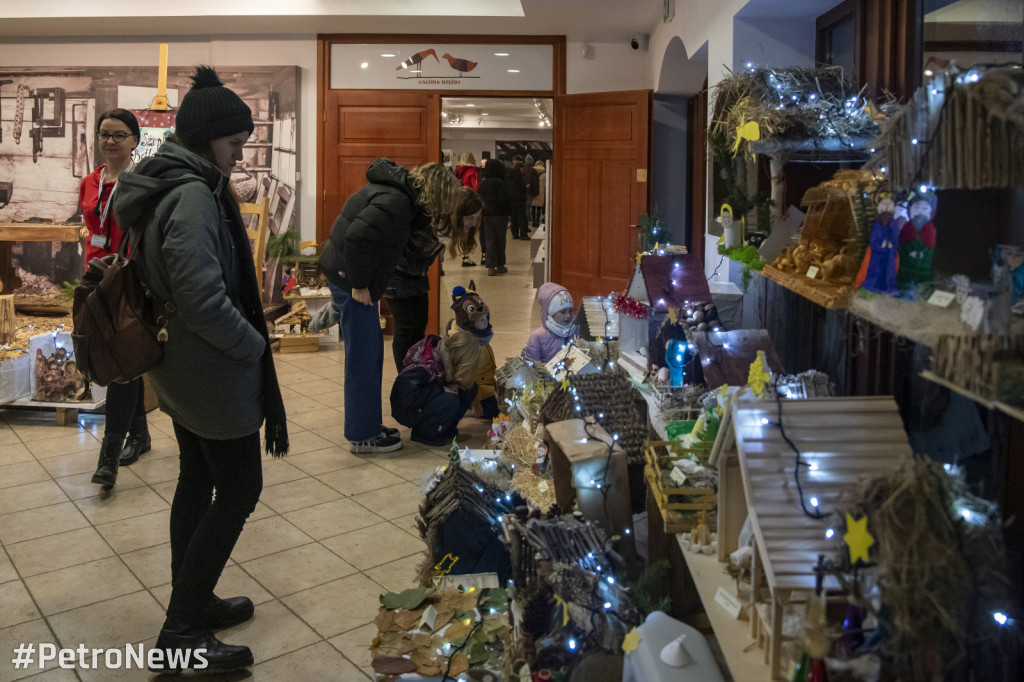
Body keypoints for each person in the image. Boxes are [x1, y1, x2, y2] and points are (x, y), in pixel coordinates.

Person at [114, 65, 289, 674]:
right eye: (235, 141)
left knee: (196, 476)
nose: (241, 153)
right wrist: (254, 346)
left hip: (181, 367)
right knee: (240, 488)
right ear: (208, 136)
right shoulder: (191, 194)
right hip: (208, 369)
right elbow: (202, 298)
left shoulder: (172, 181)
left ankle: (193, 599)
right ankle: (181, 629)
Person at [319, 158, 459, 452]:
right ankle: (362, 437)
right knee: (364, 361)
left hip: (354, 280)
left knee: (369, 358)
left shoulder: (399, 197)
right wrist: (357, 284)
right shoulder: (397, 202)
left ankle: (367, 426)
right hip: (352, 282)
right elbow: (357, 237)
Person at [81, 109, 151, 487]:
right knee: (124, 360)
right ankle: (140, 436)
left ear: (134, 141)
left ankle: (108, 454)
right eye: (104, 134)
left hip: (130, 279)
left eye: (119, 135)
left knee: (121, 359)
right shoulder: (90, 182)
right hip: (97, 278)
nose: (110, 141)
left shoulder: (141, 181)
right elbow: (92, 228)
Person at [384, 186, 482, 372]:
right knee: (405, 328)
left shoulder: (446, 226)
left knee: (420, 325)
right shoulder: (429, 220)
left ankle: (418, 371)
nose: (472, 224)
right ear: (457, 213)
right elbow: (405, 250)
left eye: (476, 219)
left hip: (415, 273)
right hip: (395, 272)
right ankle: (406, 378)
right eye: (470, 218)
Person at [389, 331, 480, 446]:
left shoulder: (446, 360)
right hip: (407, 408)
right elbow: (408, 396)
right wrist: (441, 389)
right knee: (449, 400)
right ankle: (424, 433)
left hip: (428, 396)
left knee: (470, 388)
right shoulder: (423, 366)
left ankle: (446, 428)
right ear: (457, 360)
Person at [446, 283, 498, 419]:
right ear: (467, 323)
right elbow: (465, 380)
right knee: (495, 411)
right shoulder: (465, 345)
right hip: (476, 390)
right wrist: (475, 403)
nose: (485, 322)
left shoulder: (480, 336)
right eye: (481, 320)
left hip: (486, 384)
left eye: (486, 318)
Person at [523, 282, 579, 364]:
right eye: (563, 312)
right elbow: (531, 368)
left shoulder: (577, 330)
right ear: (551, 313)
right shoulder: (538, 336)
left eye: (570, 311)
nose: (568, 315)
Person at [479, 159, 511, 277]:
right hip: (500, 215)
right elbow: (504, 199)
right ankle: (500, 265)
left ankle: (491, 267)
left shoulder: (484, 182)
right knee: (500, 240)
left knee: (489, 241)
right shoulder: (500, 182)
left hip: (487, 215)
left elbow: (480, 198)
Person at [506, 155, 529, 240]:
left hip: (511, 199)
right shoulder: (519, 176)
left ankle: (515, 234)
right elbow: (523, 187)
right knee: (522, 218)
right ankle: (523, 234)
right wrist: (526, 187)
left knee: (513, 218)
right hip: (519, 199)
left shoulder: (509, 175)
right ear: (520, 168)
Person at [522, 153, 539, 231]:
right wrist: (536, 193)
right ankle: (526, 226)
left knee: (522, 209)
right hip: (529, 192)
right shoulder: (533, 171)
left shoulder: (521, 169)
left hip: (521, 192)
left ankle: (521, 226)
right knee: (527, 209)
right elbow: (535, 183)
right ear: (531, 162)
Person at [531, 157, 546, 228]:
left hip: (533, 192)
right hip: (541, 193)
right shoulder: (544, 174)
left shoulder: (533, 172)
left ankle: (534, 222)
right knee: (539, 208)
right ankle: (536, 221)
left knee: (533, 208)